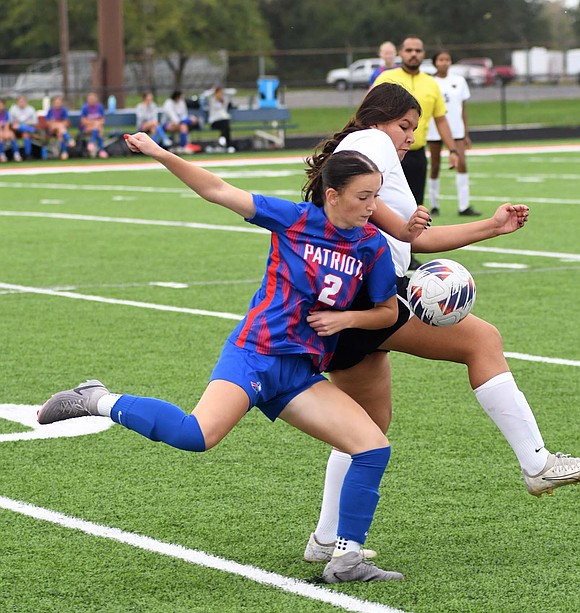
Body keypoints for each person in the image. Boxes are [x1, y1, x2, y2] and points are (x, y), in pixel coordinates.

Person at [37, 131, 430, 584]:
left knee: (372, 448)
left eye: (376, 197)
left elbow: (386, 312)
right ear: (332, 195)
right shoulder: (294, 219)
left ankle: (346, 558)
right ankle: (96, 399)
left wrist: (347, 321)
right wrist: (161, 152)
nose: (372, 207)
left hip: (299, 373)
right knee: (196, 435)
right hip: (255, 355)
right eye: (363, 197)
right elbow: (217, 190)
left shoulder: (373, 246)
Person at [302, 82, 580, 565]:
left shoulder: (370, 158)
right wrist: (397, 224)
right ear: (377, 119)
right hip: (367, 300)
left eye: (415, 128)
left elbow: (415, 241)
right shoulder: (370, 143)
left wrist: (492, 226)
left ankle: (325, 539)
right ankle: (537, 464)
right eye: (404, 126)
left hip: (348, 302)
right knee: (482, 340)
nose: (409, 137)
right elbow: (391, 224)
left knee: (364, 428)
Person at [373, 35, 463, 270]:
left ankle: (408, 253)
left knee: (414, 207)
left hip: (415, 153)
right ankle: (377, 251)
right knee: (378, 204)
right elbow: (368, 111)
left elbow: (441, 120)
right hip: (386, 155)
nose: (414, 54)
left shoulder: (431, 84)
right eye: (409, 50)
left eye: (418, 50)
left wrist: (453, 148)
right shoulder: (386, 78)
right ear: (401, 53)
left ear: (424, 55)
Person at [427, 51, 480, 217]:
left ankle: (464, 206)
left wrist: (465, 132)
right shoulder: (429, 82)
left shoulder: (459, 81)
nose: (444, 63)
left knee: (462, 164)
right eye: (441, 60)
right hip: (435, 130)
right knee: (435, 166)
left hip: (456, 131)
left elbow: (463, 108)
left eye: (447, 59)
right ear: (435, 62)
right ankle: (434, 205)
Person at [161, 90, 201, 154]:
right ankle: (183, 147)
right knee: (184, 125)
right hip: (167, 124)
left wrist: (189, 119)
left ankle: (183, 146)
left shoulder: (181, 102)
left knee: (184, 126)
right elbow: (173, 118)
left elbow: (184, 115)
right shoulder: (168, 103)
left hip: (180, 123)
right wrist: (188, 120)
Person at [45, 95, 75, 161]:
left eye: (59, 103)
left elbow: (66, 122)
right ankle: (69, 140)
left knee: (60, 134)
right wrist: (57, 123)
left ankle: (64, 153)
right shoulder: (50, 110)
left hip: (60, 130)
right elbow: (48, 123)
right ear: (53, 103)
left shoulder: (64, 110)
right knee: (59, 126)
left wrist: (57, 123)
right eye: (56, 103)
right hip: (52, 130)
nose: (57, 104)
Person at [8, 95, 38, 160]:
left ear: (26, 102)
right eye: (20, 101)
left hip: (26, 130)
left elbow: (35, 121)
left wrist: (24, 124)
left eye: (23, 101)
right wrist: (16, 123)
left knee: (26, 135)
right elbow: (10, 122)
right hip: (15, 130)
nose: (22, 103)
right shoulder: (13, 109)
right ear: (17, 102)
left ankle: (27, 155)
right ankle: (16, 154)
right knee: (12, 134)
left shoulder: (30, 109)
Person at [206, 86, 235, 152]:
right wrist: (213, 90)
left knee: (226, 125)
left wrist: (223, 90)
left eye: (221, 93)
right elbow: (205, 95)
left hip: (224, 120)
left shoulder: (225, 100)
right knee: (226, 126)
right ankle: (228, 145)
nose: (220, 95)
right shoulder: (212, 100)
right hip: (215, 121)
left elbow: (233, 92)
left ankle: (222, 140)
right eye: (218, 93)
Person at [80, 92, 108, 159]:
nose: (91, 100)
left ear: (96, 99)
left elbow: (102, 120)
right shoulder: (85, 107)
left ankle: (92, 143)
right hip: (87, 128)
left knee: (99, 128)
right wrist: (94, 122)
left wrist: (96, 123)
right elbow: (83, 121)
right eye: (90, 99)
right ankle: (101, 150)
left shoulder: (99, 107)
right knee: (98, 127)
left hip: (97, 127)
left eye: (93, 99)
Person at [0, 98, 21, 162]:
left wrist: (6, 132)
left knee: (12, 134)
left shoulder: (5, 113)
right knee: (0, 137)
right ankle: (2, 154)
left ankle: (16, 154)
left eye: (1, 105)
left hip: (3, 130)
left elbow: (7, 124)